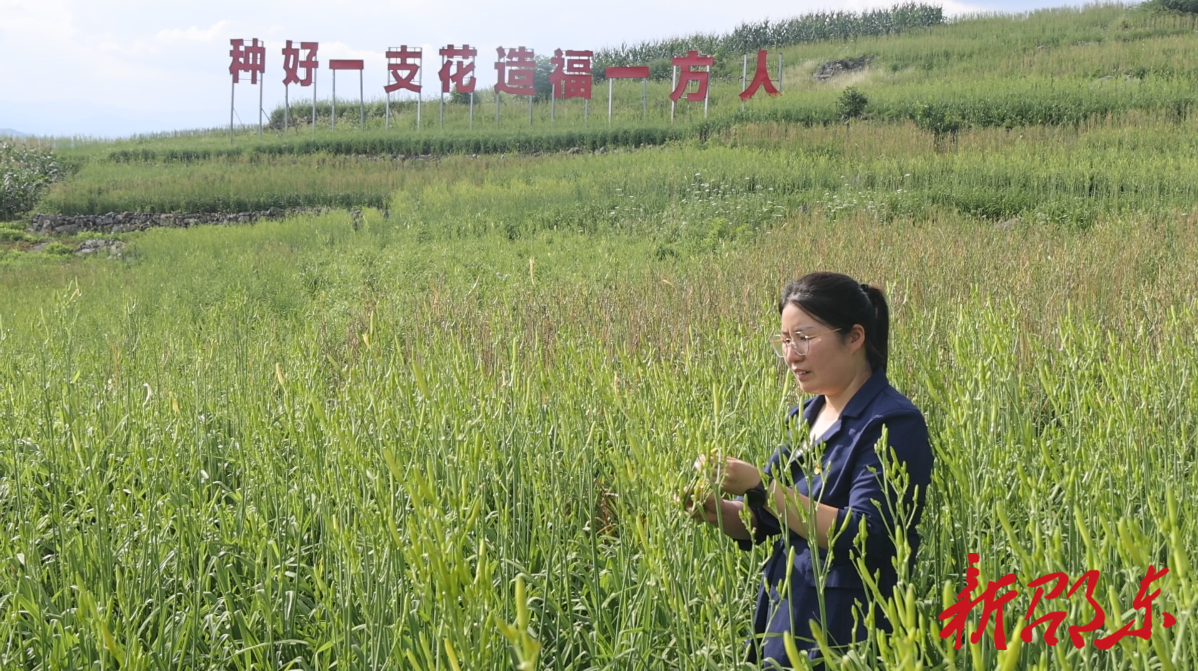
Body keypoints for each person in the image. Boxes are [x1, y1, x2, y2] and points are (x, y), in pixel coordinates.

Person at [682, 271, 934, 668]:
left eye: (804, 338)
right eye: (784, 340)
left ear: (854, 337)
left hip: (847, 633)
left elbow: (866, 535)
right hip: (786, 615)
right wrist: (710, 509)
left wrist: (762, 485)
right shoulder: (806, 415)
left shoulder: (892, 423)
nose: (790, 355)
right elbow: (761, 522)